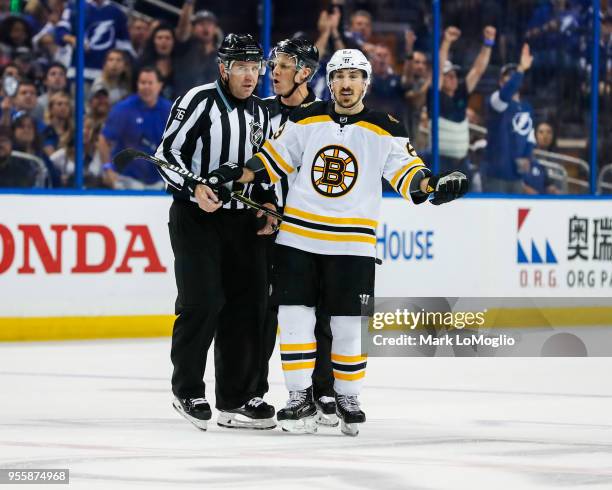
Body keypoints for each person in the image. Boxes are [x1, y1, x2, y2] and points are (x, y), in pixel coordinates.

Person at [203, 48, 468, 435]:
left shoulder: (385, 127)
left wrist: (434, 186)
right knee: (295, 322)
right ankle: (298, 398)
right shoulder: (305, 118)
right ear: (329, 82)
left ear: (366, 82)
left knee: (347, 327)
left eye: (354, 77)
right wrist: (234, 174)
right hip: (298, 239)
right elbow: (271, 159)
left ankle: (348, 396)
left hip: (353, 247)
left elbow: (410, 174)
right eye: (339, 77)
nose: (346, 84)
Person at [154, 33, 278, 431]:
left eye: (255, 67)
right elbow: (167, 154)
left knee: (248, 307)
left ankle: (236, 398)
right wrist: (194, 187)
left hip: (243, 222)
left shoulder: (260, 112)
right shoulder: (198, 101)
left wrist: (269, 202)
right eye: (241, 67)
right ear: (223, 68)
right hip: (196, 218)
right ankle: (187, 389)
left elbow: (262, 165)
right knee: (202, 301)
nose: (249, 75)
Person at [261, 38, 337, 426]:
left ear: (305, 73)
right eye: (273, 64)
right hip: (266, 231)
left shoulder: (326, 117)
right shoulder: (261, 114)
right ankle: (257, 394)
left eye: (284, 65)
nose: (274, 71)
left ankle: (324, 390)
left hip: (312, 231)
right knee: (267, 315)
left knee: (321, 313)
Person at [430, 25, 496, 176]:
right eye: (449, 75)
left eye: (454, 75)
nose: (453, 78)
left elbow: (478, 70)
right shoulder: (435, 96)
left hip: (461, 161)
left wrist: (488, 43)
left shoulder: (461, 93)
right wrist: (446, 42)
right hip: (440, 161)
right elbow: (438, 70)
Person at [98, 66, 171, 189]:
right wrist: (107, 167)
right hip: (128, 178)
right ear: (137, 85)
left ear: (160, 85)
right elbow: (104, 139)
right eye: (143, 83)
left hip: (160, 179)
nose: (146, 87)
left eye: (150, 83)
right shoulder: (124, 109)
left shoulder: (169, 110)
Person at [483, 44, 535, 193]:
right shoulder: (495, 100)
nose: (513, 81)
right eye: (508, 78)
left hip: (517, 175)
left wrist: (526, 157)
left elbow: (530, 137)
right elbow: (506, 94)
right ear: (501, 82)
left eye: (515, 77)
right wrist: (520, 70)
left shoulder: (527, 107)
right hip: (496, 174)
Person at [173, 6, 220, 97]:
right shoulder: (184, 47)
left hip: (211, 106)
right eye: (201, 24)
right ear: (192, 29)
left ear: (215, 29)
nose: (205, 27)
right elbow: (183, 28)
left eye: (209, 24)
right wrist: (189, 3)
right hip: (184, 104)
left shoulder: (222, 54)